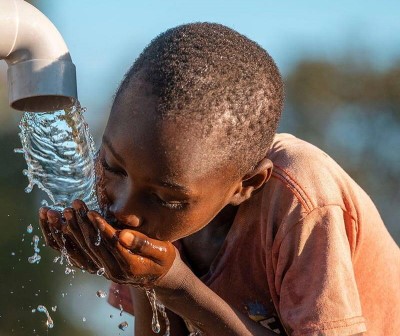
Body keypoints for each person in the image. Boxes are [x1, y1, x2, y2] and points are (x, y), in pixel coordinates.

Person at [39, 23, 400, 336]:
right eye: (113, 167)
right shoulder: (167, 206)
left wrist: (177, 286)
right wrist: (143, 282)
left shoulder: (303, 200)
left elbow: (181, 292)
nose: (124, 210)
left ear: (246, 185)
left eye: (166, 198)